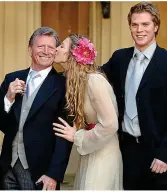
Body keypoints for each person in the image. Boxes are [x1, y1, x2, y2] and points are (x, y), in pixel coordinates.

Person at [100, 2, 167, 190]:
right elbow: (94, 78)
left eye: (145, 24)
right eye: (135, 25)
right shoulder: (119, 58)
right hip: (127, 152)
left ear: (155, 26)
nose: (139, 30)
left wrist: (166, 155)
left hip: (159, 155)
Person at [0, 26, 72, 190]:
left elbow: (63, 135)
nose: (46, 51)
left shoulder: (63, 85)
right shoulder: (12, 78)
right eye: (40, 46)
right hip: (7, 166)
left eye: (51, 47)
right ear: (30, 50)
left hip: (40, 171)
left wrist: (54, 174)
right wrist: (8, 98)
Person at [53, 34, 123, 190]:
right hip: (91, 151)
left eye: (62, 46)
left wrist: (77, 136)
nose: (56, 49)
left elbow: (110, 124)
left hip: (104, 155)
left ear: (73, 54)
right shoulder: (75, 81)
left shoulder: (94, 81)